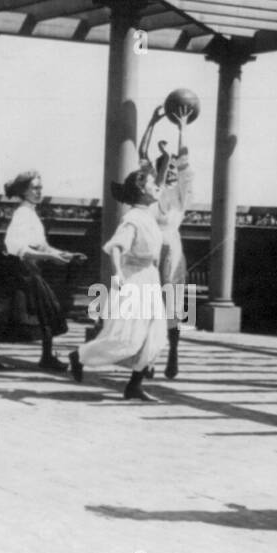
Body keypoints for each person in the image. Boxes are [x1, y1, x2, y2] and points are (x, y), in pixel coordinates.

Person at [68, 163, 168, 401]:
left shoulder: (148, 215)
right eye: (153, 185)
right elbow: (116, 248)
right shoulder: (132, 218)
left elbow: (160, 185)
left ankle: (134, 385)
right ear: (142, 190)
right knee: (128, 338)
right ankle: (79, 356)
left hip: (150, 278)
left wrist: (165, 160)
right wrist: (117, 274)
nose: (158, 189)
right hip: (134, 279)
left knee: (155, 334)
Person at [0, 171, 85, 370]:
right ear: (23, 191)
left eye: (40, 187)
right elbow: (18, 248)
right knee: (10, 315)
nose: (39, 191)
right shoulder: (22, 213)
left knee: (42, 311)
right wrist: (50, 257)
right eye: (35, 188)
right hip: (17, 271)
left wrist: (66, 254)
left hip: (28, 270)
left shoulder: (30, 212)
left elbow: (41, 245)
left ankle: (45, 357)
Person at [141, 104, 196, 379]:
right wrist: (151, 123)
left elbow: (185, 162)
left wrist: (182, 130)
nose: (173, 170)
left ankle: (173, 353)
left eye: (175, 168)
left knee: (172, 306)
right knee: (149, 305)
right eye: (168, 166)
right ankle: (148, 359)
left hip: (172, 251)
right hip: (151, 250)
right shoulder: (153, 192)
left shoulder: (182, 195)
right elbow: (142, 156)